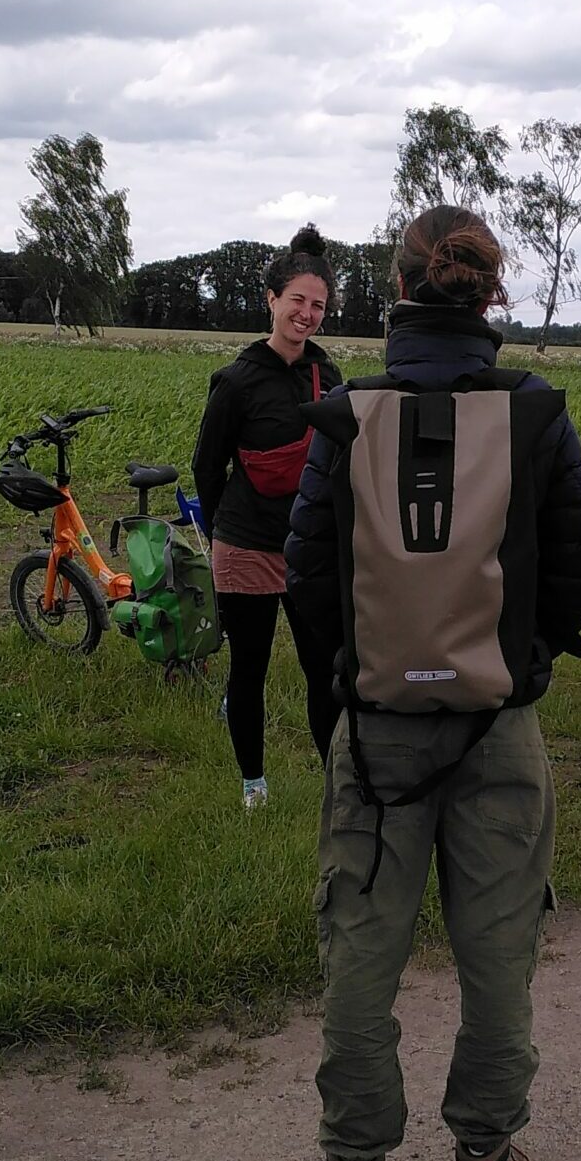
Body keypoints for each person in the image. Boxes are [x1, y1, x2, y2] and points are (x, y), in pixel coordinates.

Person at [286, 205, 581, 1161]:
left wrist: (345, 686)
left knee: (361, 956)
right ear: (489, 294)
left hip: (375, 730)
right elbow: (574, 568)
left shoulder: (346, 415)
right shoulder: (537, 414)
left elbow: (307, 578)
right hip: (497, 726)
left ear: (398, 288)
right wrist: (525, 660)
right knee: (497, 955)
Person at [191, 226, 345, 804]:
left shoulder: (327, 376)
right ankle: (253, 786)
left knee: (322, 669)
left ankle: (336, 785)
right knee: (249, 669)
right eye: (297, 301)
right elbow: (207, 468)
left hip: (310, 548)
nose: (306, 315)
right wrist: (217, 536)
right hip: (248, 545)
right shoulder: (236, 381)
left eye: (318, 306)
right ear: (271, 300)